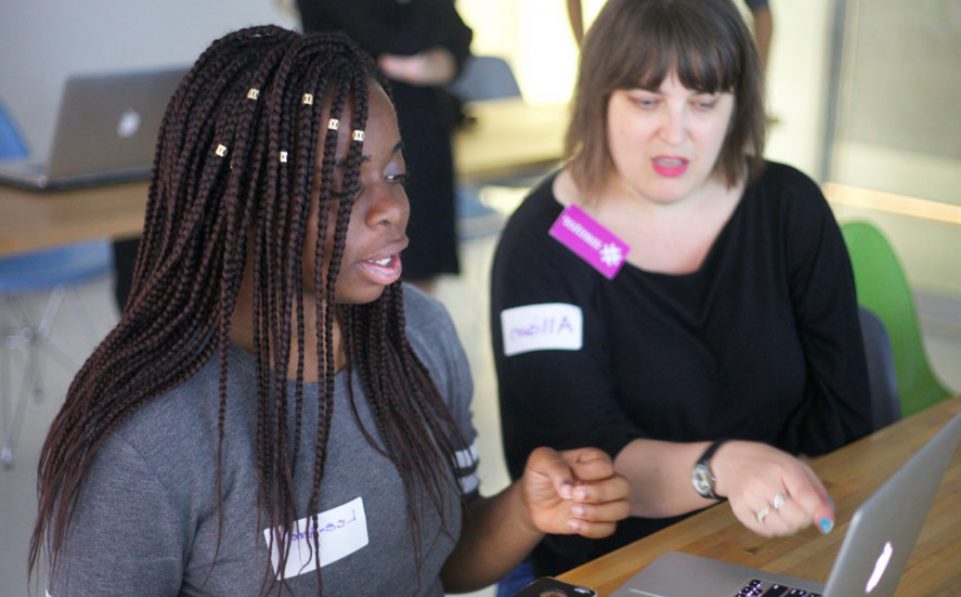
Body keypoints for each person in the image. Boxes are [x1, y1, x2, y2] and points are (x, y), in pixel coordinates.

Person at [30, 26, 629, 596]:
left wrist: (526, 507)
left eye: (395, 173)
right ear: (242, 208)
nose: (391, 207)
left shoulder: (420, 335)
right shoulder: (147, 441)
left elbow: (443, 558)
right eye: (342, 187)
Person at [491, 0, 871, 582]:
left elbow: (843, 419)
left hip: (776, 546)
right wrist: (720, 469)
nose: (676, 132)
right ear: (598, 99)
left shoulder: (786, 209)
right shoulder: (551, 241)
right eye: (646, 101)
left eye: (703, 102)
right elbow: (582, 471)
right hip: (612, 565)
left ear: (737, 106)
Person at [295, 0, 472, 293]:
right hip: (354, 144)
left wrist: (435, 63)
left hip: (424, 136)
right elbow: (399, 38)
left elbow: (461, 40)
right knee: (369, 267)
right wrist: (420, 61)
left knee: (419, 273)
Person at [565, 0, 772, 73]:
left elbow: (762, 13)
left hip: (704, 62)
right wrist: (588, 56)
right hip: (628, 60)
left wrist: (755, 80)